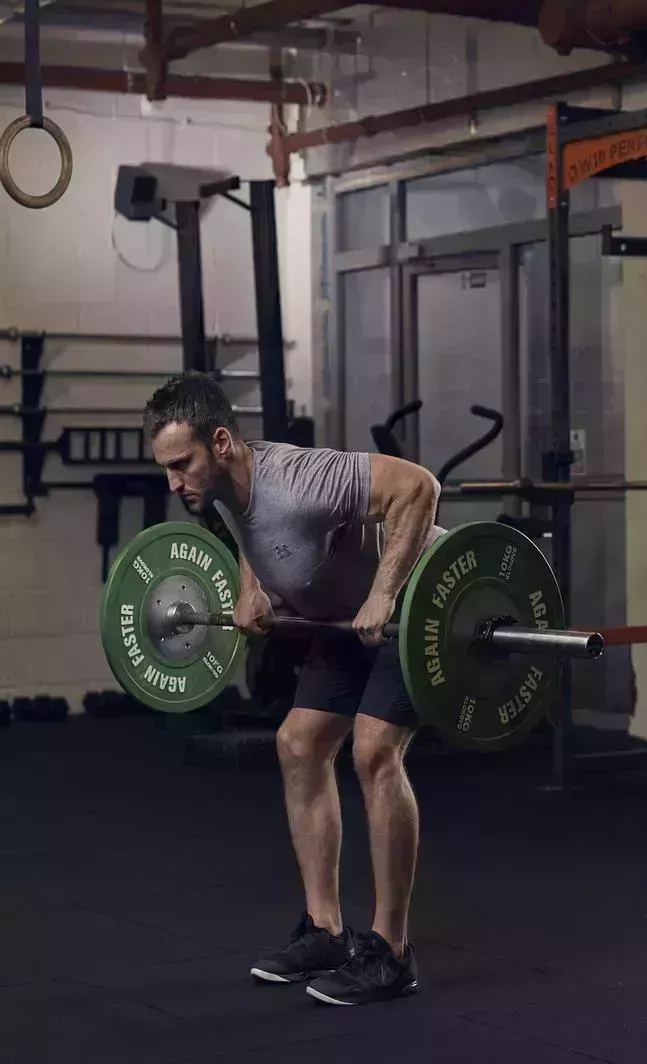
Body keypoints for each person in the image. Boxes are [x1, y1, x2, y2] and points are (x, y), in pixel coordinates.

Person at [143, 372, 444, 1007]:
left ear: (220, 441)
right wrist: (251, 582)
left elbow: (419, 486)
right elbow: (255, 530)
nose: (173, 481)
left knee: (373, 752)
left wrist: (386, 593)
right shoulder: (222, 485)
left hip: (416, 605)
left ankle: (391, 952)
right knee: (298, 744)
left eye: (180, 464)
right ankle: (326, 931)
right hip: (343, 621)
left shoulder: (301, 479)